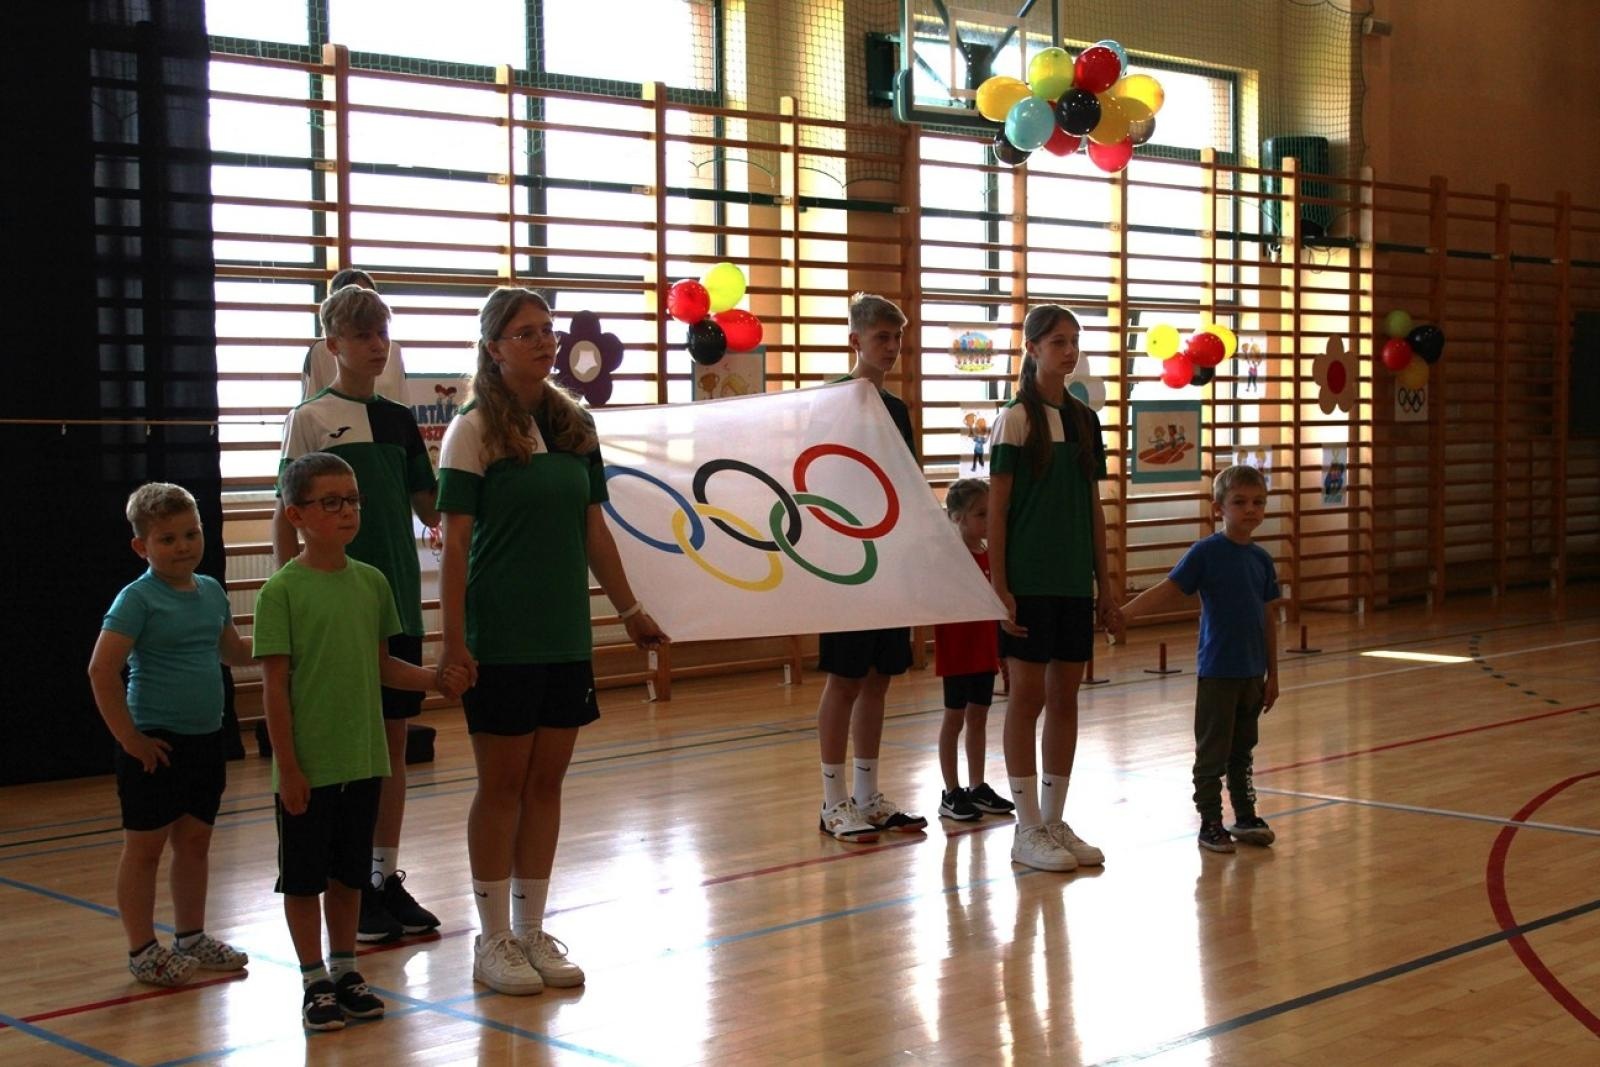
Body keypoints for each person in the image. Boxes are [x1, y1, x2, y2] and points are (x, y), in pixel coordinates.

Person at [436, 287, 666, 996]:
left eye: (547, 330)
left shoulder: (575, 427)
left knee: (546, 783)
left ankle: (531, 927)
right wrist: (453, 644)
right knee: (501, 785)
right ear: (494, 346)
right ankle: (492, 937)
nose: (543, 341)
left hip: (564, 635)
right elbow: (455, 549)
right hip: (500, 637)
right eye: (526, 332)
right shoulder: (471, 431)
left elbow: (594, 528)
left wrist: (628, 608)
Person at [256, 452, 463, 1031]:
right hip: (308, 768)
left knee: (349, 877)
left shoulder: (371, 582)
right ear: (297, 514)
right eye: (331, 502)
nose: (347, 511)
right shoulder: (281, 592)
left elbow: (381, 665)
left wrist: (433, 679)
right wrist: (289, 768)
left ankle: (345, 969)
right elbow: (274, 690)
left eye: (353, 500)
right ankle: (312, 978)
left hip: (363, 758)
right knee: (303, 881)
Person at [273, 283, 441, 944]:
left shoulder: (400, 421)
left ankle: (381, 876)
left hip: (391, 596)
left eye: (383, 333)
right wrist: (287, 593)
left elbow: (432, 509)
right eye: (363, 334)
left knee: (394, 744)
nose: (377, 345)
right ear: (333, 344)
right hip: (333, 606)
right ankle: (344, 878)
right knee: (345, 745)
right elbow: (286, 512)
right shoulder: (310, 418)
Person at [87, 483, 255, 987]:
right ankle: (142, 950)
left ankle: (191, 937)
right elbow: (101, 671)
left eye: (190, 534)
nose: (183, 546)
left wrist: (283, 642)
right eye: (167, 539)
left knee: (196, 842)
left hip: (205, 738)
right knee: (145, 847)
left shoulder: (211, 592)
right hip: (155, 742)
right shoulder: (137, 599)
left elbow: (232, 653)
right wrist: (131, 739)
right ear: (143, 547)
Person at [988, 305, 1119, 873]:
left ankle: (1054, 817)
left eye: (1075, 341)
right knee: (1028, 698)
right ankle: (1026, 827)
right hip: (1029, 580)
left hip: (1072, 583)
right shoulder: (1015, 418)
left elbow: (1092, 508)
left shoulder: (1087, 421)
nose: (1069, 351)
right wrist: (1001, 585)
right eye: (1058, 342)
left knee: (1065, 698)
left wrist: (1106, 585)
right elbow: (996, 509)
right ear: (1032, 349)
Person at [1115, 464, 1281, 853]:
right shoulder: (1206, 553)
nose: (1250, 510)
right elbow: (1169, 589)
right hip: (1219, 672)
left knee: (1243, 750)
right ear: (1218, 508)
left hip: (1252, 674)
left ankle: (1245, 814)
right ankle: (1210, 820)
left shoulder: (1261, 560)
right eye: (1239, 502)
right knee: (1213, 752)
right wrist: (1126, 613)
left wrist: (1272, 674)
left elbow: (1268, 617)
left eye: (1258, 502)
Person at [813, 293, 929, 842]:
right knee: (845, 678)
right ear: (855, 341)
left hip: (891, 564)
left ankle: (867, 794)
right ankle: (833, 801)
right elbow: (811, 481)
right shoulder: (832, 402)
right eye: (881, 337)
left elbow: (905, 484)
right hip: (845, 563)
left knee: (880, 678)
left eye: (897, 338)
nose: (891, 348)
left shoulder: (899, 410)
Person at [932, 478, 1015, 823]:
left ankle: (977, 786)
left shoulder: (991, 555)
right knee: (954, 719)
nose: (988, 521)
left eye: (991, 513)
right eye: (981, 514)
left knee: (978, 717)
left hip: (984, 649)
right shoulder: (950, 558)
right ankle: (951, 792)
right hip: (957, 650)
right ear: (958, 518)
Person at [303, 269, 408, 401]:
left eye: (368, 294)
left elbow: (402, 399)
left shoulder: (393, 349)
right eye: (352, 295)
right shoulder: (319, 351)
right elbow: (312, 398)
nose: (363, 305)